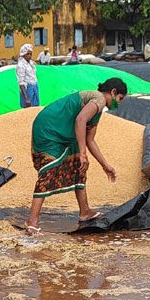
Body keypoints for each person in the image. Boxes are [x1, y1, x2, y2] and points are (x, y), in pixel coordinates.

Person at [23, 78, 127, 235]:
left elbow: (89, 140)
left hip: (65, 133)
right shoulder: (98, 98)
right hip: (49, 128)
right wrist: (83, 153)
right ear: (113, 92)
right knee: (49, 170)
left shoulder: (98, 111)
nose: (118, 104)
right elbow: (80, 120)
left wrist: (105, 165)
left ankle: (84, 212)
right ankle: (32, 221)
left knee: (79, 166)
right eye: (120, 99)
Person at [16, 43, 39, 108]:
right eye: (27, 54)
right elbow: (21, 83)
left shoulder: (31, 63)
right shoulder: (21, 65)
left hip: (34, 87)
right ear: (23, 54)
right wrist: (26, 98)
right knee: (28, 109)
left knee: (35, 108)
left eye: (30, 54)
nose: (29, 56)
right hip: (28, 90)